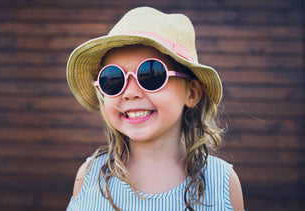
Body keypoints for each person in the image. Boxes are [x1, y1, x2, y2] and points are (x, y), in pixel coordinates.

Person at [66, 6, 244, 211]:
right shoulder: (88, 177)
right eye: (113, 79)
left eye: (151, 75)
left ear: (191, 93)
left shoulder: (222, 184)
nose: (130, 93)